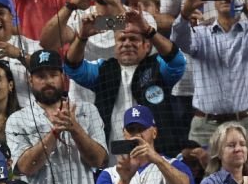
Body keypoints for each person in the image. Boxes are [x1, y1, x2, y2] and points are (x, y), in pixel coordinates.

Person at [7, 50, 110, 184]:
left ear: (62, 77)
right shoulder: (17, 120)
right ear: (30, 80)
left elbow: (100, 160)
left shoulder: (86, 111)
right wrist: (54, 133)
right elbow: (24, 167)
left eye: (52, 74)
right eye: (40, 76)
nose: (47, 81)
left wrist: (74, 129)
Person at [172, 0, 248, 155]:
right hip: (205, 127)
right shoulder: (200, 34)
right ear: (213, 0)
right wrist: (185, 13)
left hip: (247, 124)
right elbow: (178, 40)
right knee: (202, 181)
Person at [64, 10, 187, 149]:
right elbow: (72, 68)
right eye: (122, 39)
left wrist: (148, 30)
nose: (127, 43)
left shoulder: (157, 66)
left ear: (147, 46)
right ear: (115, 45)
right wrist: (82, 37)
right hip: (114, 154)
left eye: (133, 39)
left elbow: (177, 62)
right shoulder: (103, 69)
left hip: (157, 153)